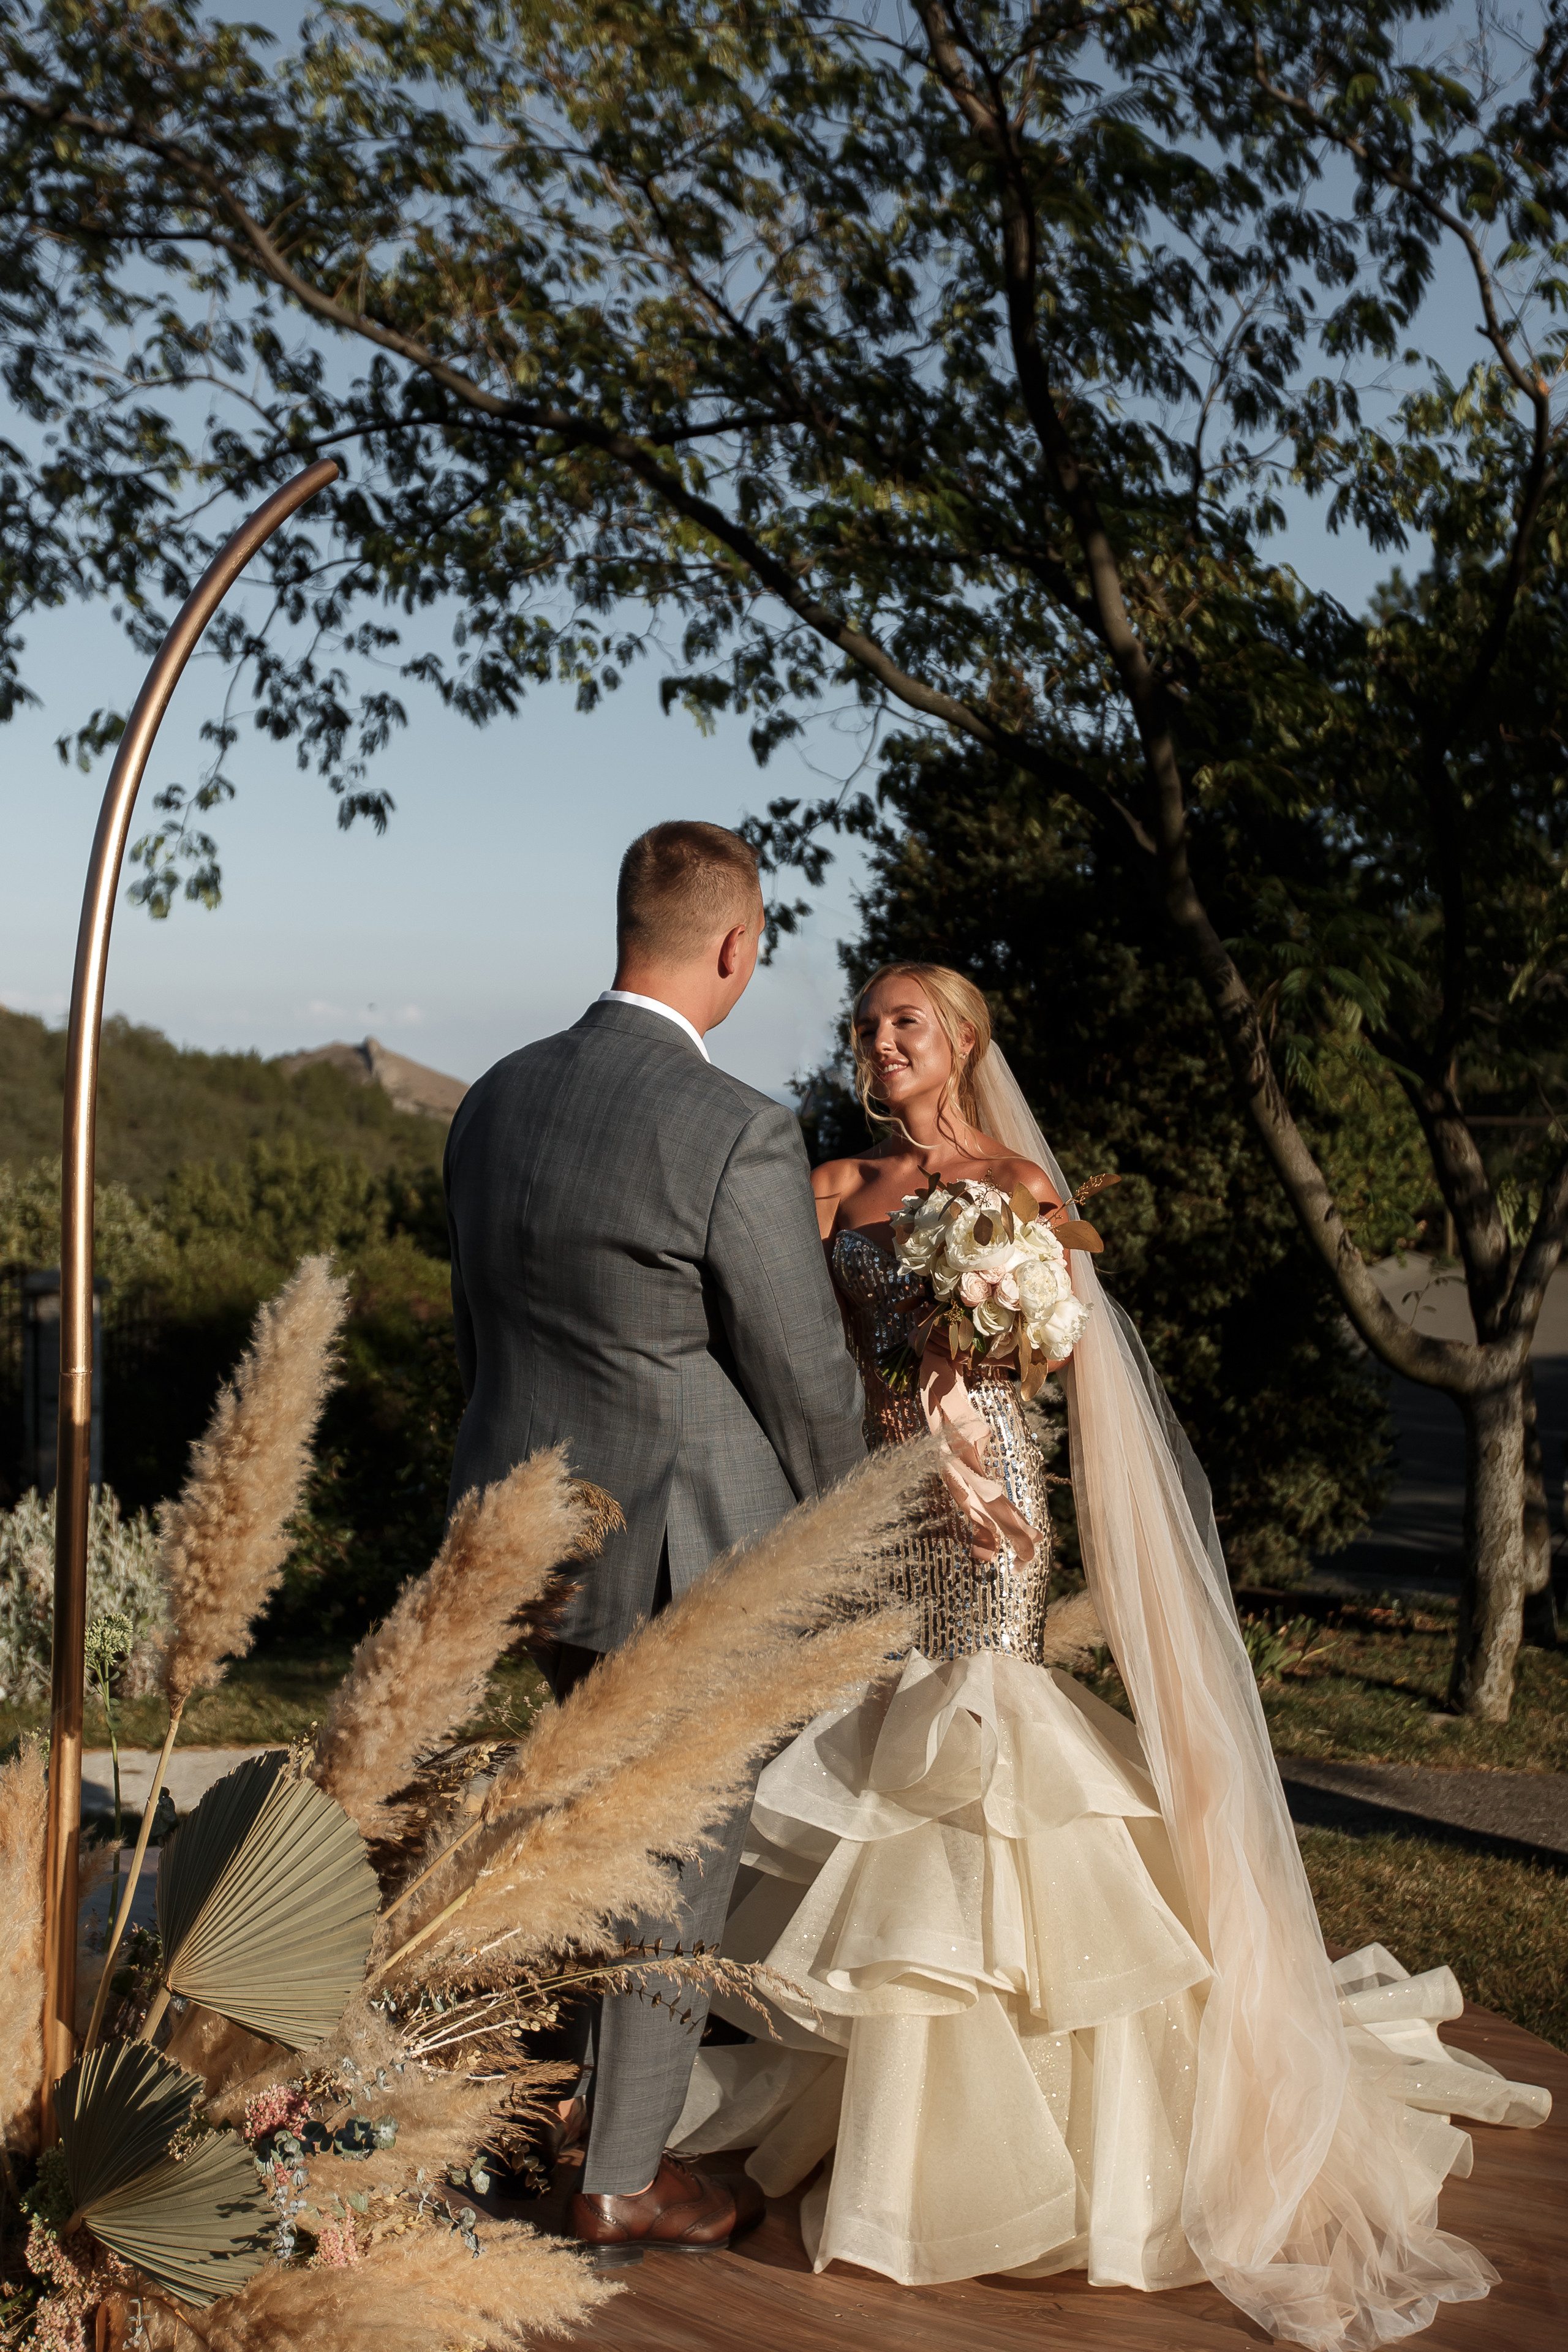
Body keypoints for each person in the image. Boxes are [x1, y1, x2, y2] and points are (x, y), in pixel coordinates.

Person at [672, 962, 1550, 2348]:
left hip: (986, 1507)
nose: (877, 1042)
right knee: (883, 1753)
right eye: (864, 1026)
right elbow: (784, 1349)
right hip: (871, 1500)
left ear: (959, 1042)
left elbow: (1053, 1351)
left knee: (982, 1747)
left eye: (905, 1023)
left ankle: (1012, 2133)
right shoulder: (832, 1187)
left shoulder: (1020, 1186)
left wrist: (974, 1399)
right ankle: (885, 2115)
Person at [443, 820, 865, 2262]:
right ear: (738, 945)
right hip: (691, 1554)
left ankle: (586, 2109)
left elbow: (479, 1331)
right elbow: (803, 1373)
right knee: (676, 1850)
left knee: (588, 1827)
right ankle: (622, 2171)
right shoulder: (732, 1127)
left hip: (535, 1532)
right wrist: (854, 1532)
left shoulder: (492, 1100)